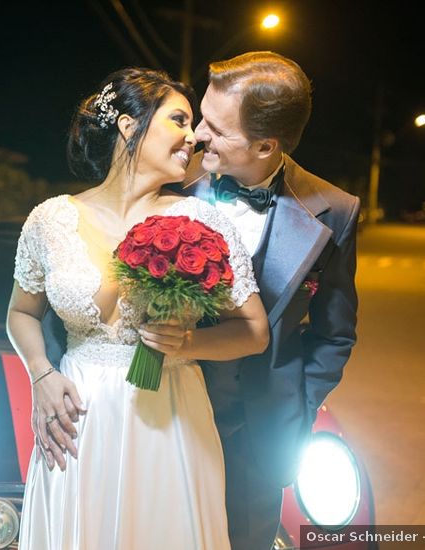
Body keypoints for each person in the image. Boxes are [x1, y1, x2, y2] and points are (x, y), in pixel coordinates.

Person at [6, 68, 269, 550]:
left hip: (167, 413)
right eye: (178, 120)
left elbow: (254, 331)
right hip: (76, 421)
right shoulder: (50, 219)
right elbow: (21, 313)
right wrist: (40, 374)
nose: (193, 137)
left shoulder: (198, 221)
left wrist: (190, 342)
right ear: (129, 126)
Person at [175, 51, 359, 549]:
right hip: (166, 414)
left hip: (259, 434)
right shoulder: (170, 183)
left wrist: (297, 411)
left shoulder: (335, 211)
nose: (196, 136)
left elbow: (334, 333)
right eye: (199, 119)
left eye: (215, 127)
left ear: (265, 145)